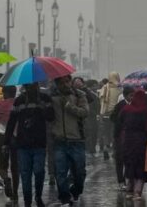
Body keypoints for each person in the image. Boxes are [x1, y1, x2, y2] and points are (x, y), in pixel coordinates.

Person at [5, 82, 55, 207]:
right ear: (25, 87)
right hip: (22, 144)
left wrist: (42, 108)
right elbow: (11, 121)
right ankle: (27, 201)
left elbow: (51, 117)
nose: (31, 88)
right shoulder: (19, 101)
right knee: (25, 174)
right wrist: (6, 142)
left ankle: (38, 196)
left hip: (39, 143)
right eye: (28, 86)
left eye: (33, 86)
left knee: (39, 171)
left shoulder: (45, 99)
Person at [51, 75, 89, 205]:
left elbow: (85, 112)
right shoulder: (52, 97)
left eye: (67, 82)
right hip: (59, 141)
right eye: (61, 83)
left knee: (80, 171)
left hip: (76, 140)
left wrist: (69, 106)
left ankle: (76, 190)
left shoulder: (79, 95)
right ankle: (64, 197)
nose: (65, 85)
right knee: (60, 172)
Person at [118, 89, 147, 199]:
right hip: (141, 140)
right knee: (140, 164)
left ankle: (129, 189)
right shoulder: (146, 110)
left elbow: (120, 120)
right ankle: (137, 192)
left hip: (128, 139)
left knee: (129, 163)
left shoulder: (126, 109)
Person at [0, 86, 18, 200]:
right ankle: (16, 190)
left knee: (2, 165)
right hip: (17, 137)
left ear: (5, 93)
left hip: (2, 137)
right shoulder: (19, 103)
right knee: (15, 165)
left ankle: (6, 180)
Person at [111, 86, 134, 188]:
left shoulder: (135, 105)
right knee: (120, 158)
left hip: (131, 135)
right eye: (131, 95)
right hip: (120, 135)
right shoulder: (120, 105)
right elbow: (113, 117)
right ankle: (120, 181)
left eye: (134, 95)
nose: (132, 97)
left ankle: (127, 178)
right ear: (125, 95)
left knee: (129, 158)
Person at [98, 72, 121, 161]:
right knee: (114, 133)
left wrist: (101, 114)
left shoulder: (104, 88)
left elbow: (102, 102)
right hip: (116, 115)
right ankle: (114, 151)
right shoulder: (119, 88)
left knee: (106, 133)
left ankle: (105, 149)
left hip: (105, 114)